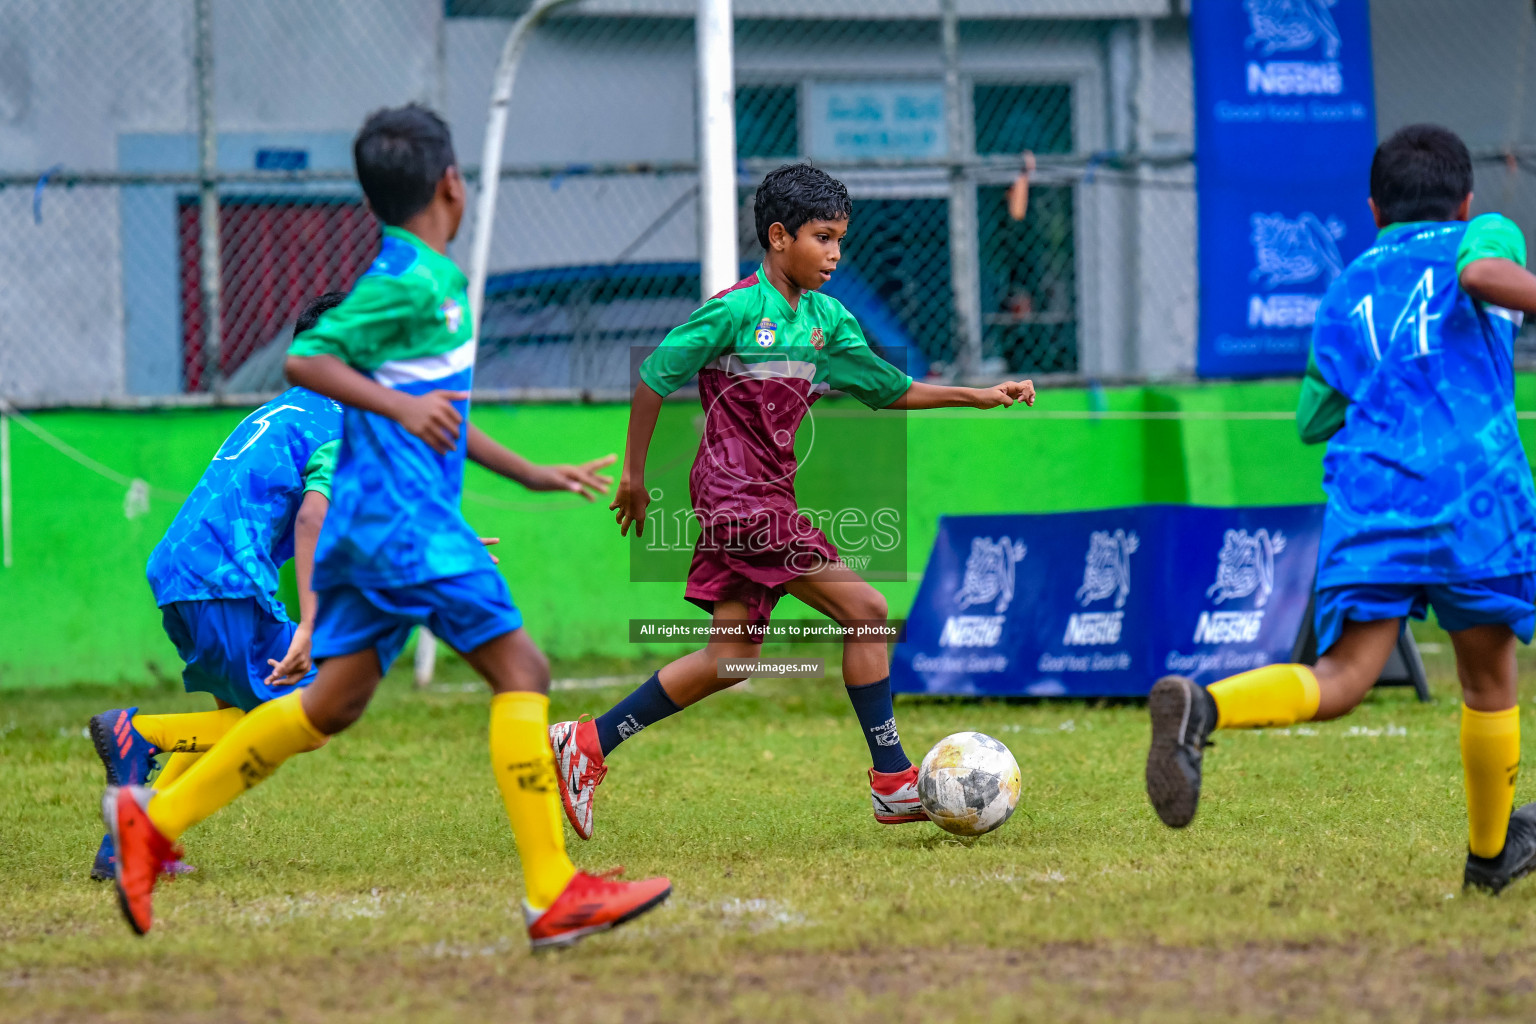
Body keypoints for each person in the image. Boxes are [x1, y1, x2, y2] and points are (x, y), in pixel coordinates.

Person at [101, 103, 671, 948]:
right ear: (450, 184)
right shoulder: (407, 281)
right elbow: (308, 362)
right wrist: (399, 406)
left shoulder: (430, 281)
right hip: (404, 527)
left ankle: (157, 819)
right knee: (524, 668)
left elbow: (443, 413)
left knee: (328, 706)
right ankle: (552, 891)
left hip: (378, 532)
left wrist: (530, 472)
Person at [549, 163, 1036, 841]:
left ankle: (588, 744)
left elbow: (889, 388)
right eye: (822, 237)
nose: (835, 253)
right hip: (736, 501)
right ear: (779, 237)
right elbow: (654, 376)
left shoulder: (827, 321)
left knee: (731, 659)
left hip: (763, 496)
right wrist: (634, 476)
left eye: (840, 238)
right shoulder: (735, 310)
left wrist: (976, 394)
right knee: (865, 610)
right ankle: (893, 781)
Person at [1144, 123, 1536, 894]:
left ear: (1373, 209)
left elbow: (1313, 417)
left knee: (1343, 677)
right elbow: (1485, 273)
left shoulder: (1347, 283)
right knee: (1490, 682)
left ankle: (1207, 707)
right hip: (1472, 496)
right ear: (1464, 201)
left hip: (1370, 498)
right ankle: (1491, 858)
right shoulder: (1484, 233)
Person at [87, 292, 346, 882]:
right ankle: (139, 734)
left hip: (187, 575)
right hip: (224, 581)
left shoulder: (285, 410)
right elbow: (314, 519)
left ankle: (132, 844)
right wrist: (308, 622)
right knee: (313, 713)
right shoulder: (338, 421)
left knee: (231, 714)